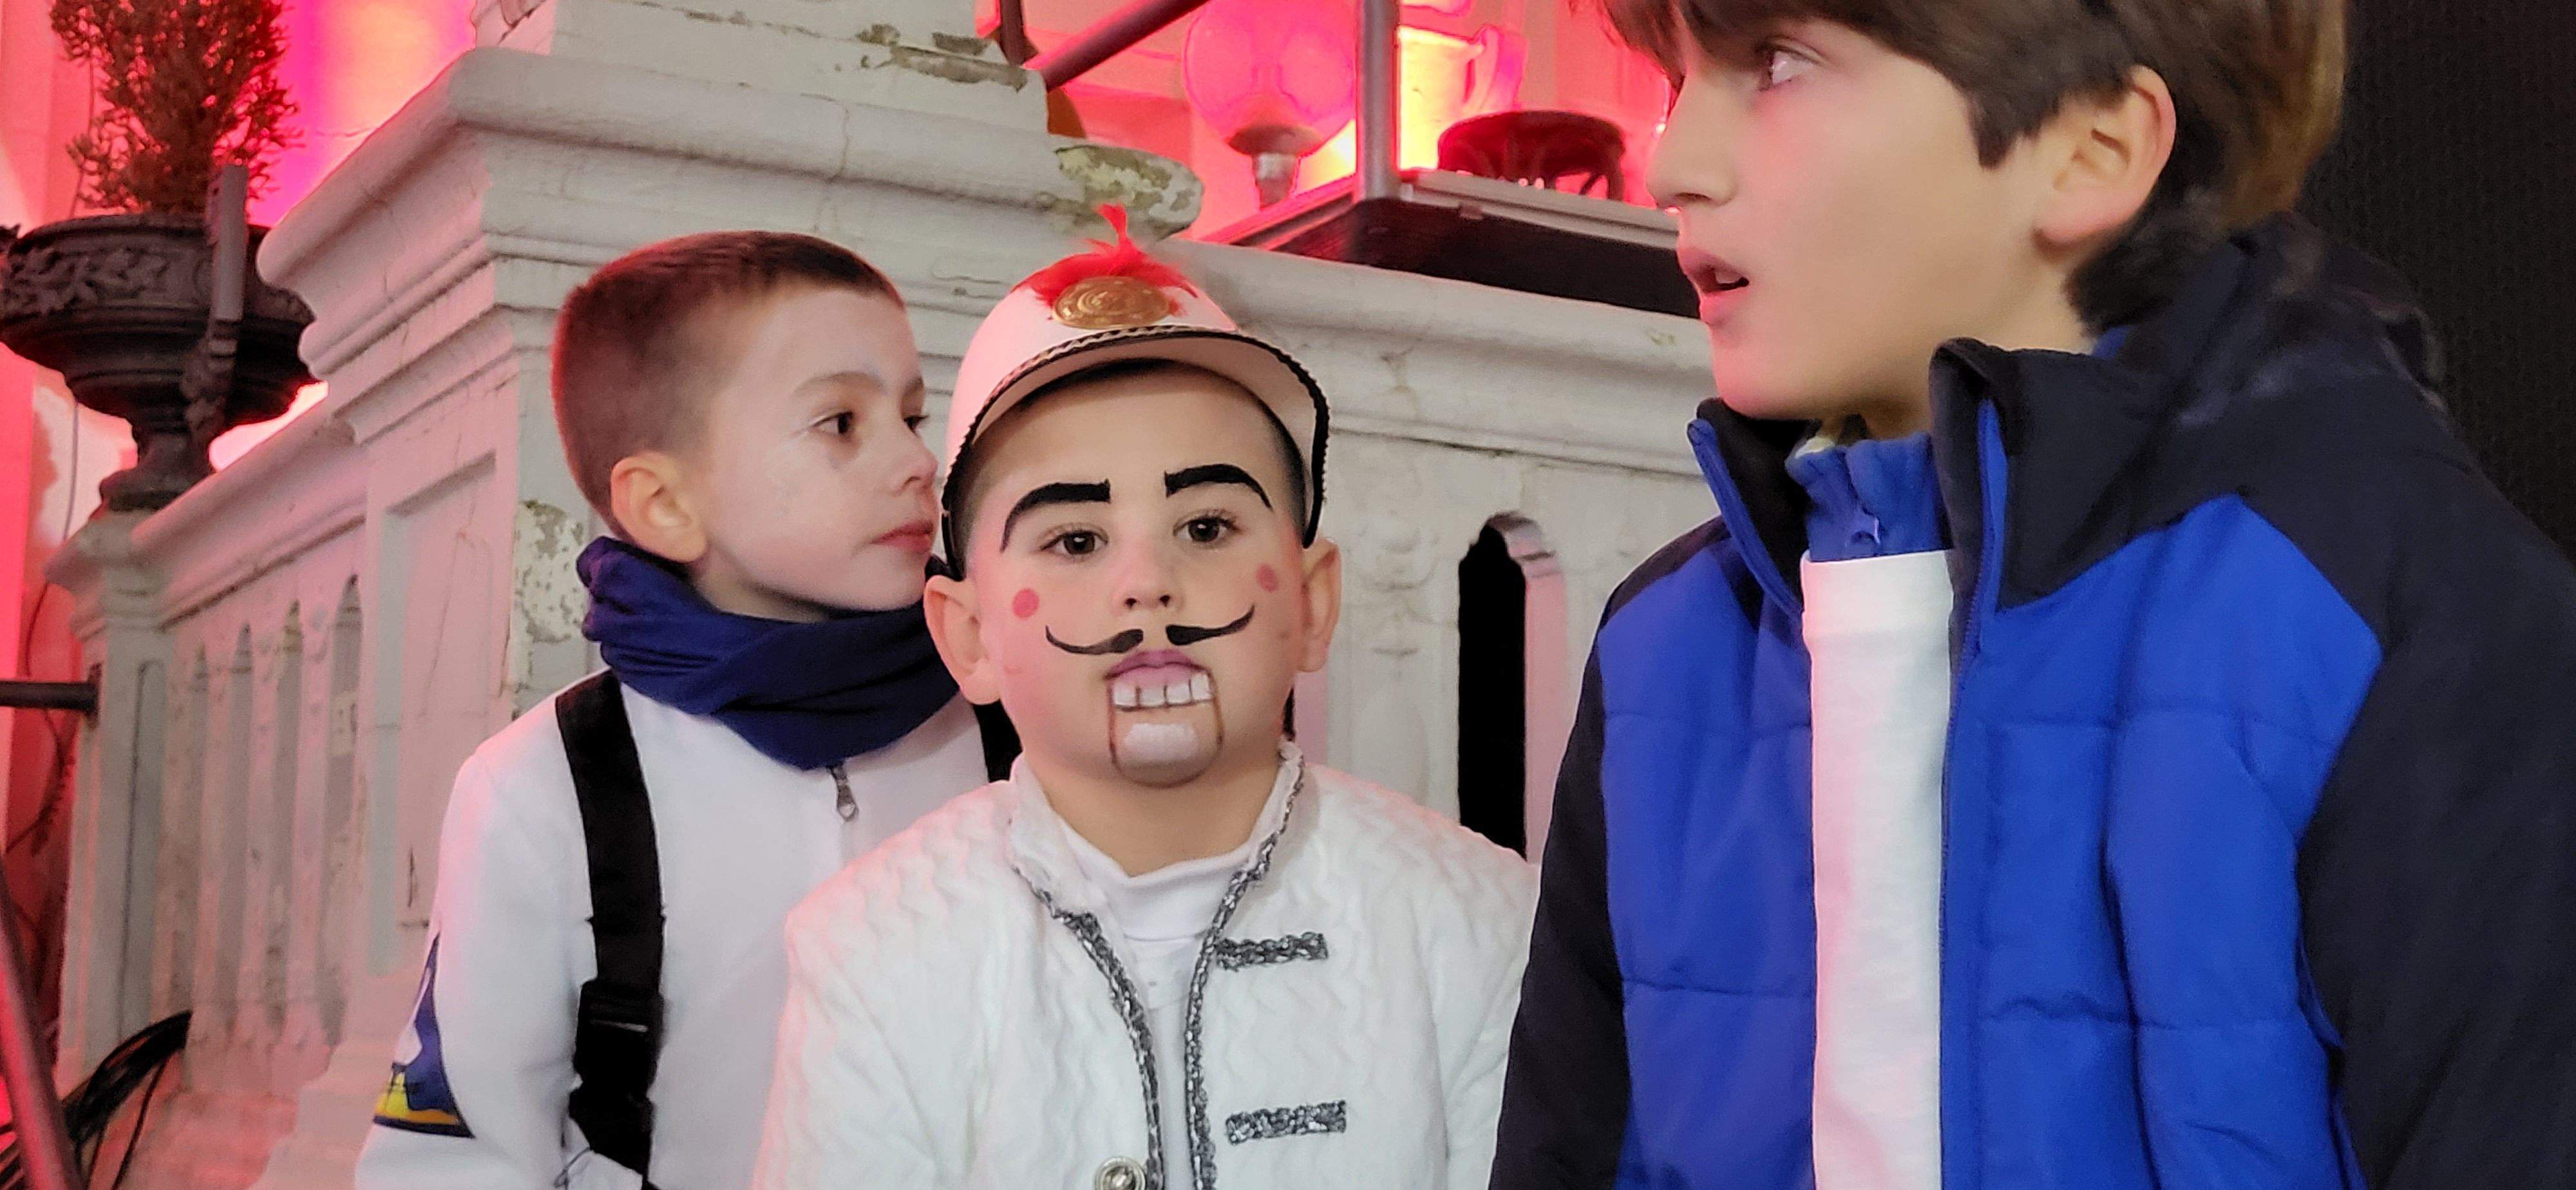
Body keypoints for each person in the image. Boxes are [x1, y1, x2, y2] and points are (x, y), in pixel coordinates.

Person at [1492, 1, 2576, 1187]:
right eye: (1671, 83)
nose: (1670, 164)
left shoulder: (2400, 602)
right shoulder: (1664, 647)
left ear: (2091, 148)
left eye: (1780, 66)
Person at [752, 212, 1537, 1190]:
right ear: (968, 635)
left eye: (1206, 525)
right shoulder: (876, 946)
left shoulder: (1473, 920)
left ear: (1311, 600)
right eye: (1075, 541)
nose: (1146, 584)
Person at [355, 231, 1009, 1189]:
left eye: (914, 415)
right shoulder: (547, 786)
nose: (920, 461)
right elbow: (455, 1160)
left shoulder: (1013, 727)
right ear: (664, 504)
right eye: (840, 422)